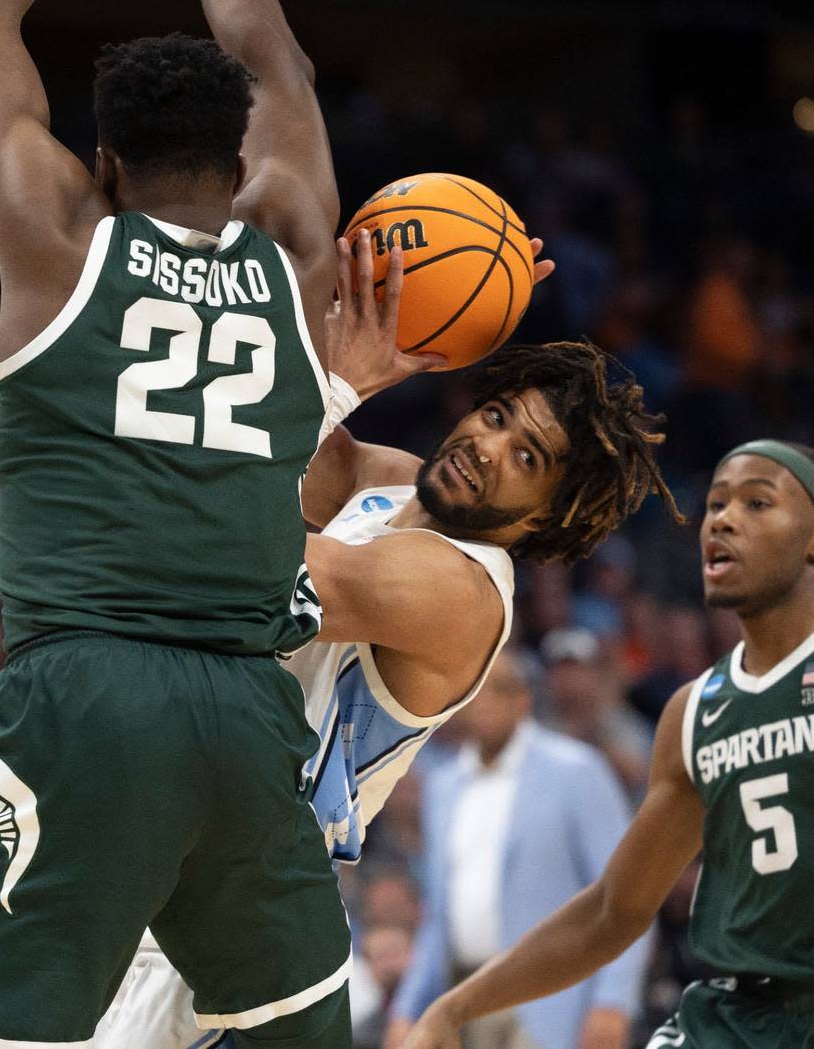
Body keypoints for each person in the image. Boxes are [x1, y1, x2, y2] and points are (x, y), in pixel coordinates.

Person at [0, 0, 372, 1044]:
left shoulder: (59, 240)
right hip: (250, 711)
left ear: (102, 164)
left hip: (89, 693)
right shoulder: (294, 247)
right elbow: (283, 69)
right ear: (240, 164)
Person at [93, 232, 675, 1048]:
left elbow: (243, 557)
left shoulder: (462, 593)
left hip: (217, 918)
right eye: (498, 415)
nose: (487, 445)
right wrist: (349, 305)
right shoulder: (388, 478)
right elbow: (254, 417)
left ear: (546, 517)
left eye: (527, 456)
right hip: (153, 837)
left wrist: (335, 386)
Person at [400, 439, 814, 1049]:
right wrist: (454, 1006)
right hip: (735, 1017)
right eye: (714, 505)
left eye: (756, 502)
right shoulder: (695, 711)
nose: (721, 521)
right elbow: (611, 911)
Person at [387, 650, 648, 1049]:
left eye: (498, 690)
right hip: (463, 996)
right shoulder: (442, 785)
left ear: (524, 698)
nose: (482, 703)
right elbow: (437, 917)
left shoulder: (576, 770)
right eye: (473, 691)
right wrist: (407, 1009)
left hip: (550, 996)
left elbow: (627, 894)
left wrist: (613, 1002)